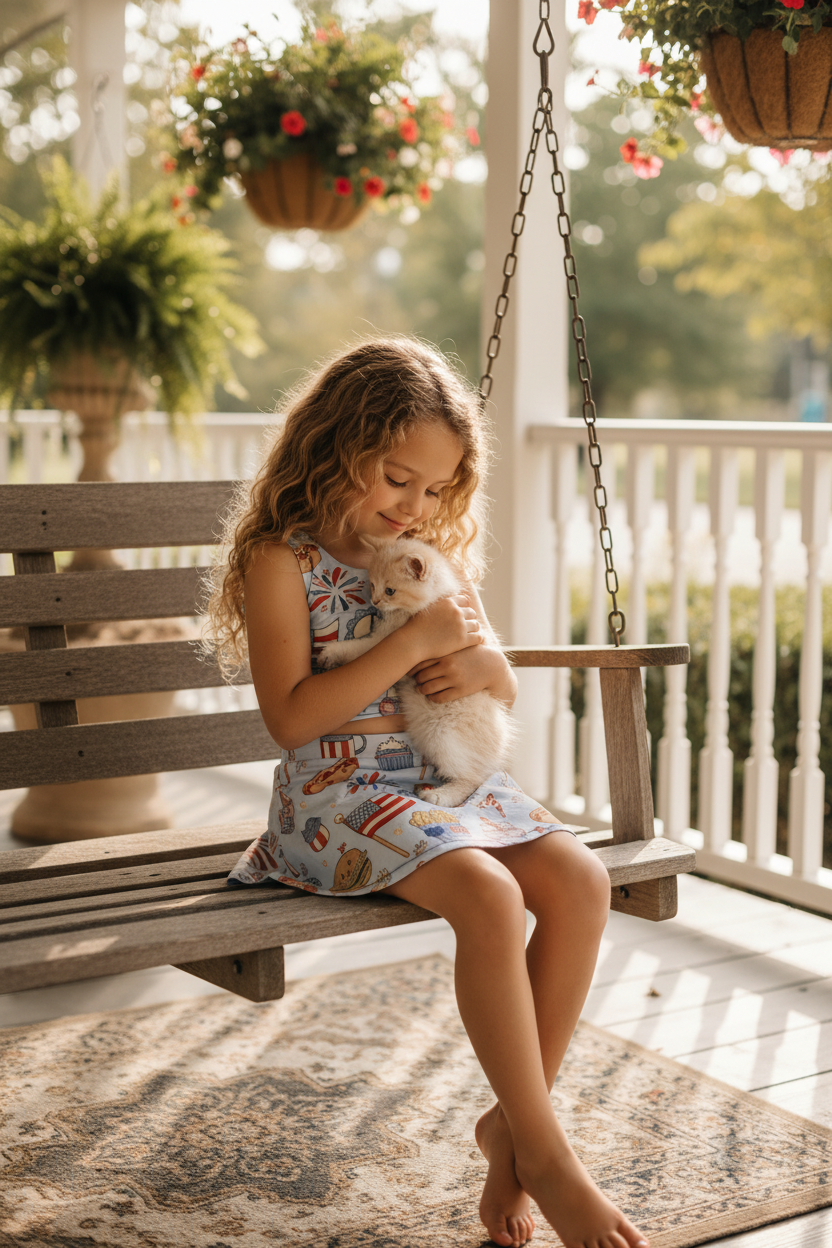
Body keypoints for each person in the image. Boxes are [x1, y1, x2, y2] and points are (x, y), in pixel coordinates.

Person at [206, 338, 649, 1248]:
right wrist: (407, 647)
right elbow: (291, 722)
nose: (416, 507)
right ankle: (548, 1154)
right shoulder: (279, 561)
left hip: (440, 783)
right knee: (488, 895)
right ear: (333, 450)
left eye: (437, 490)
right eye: (397, 479)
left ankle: (508, 1127)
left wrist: (484, 657)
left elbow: (497, 685)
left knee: (580, 882)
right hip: (334, 799)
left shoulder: (425, 557)